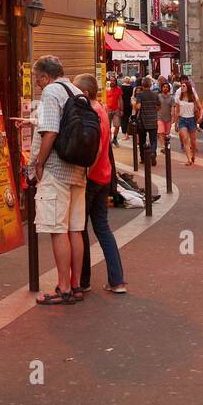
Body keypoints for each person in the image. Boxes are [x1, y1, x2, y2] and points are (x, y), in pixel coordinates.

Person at [29, 56, 89, 306]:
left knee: (56, 229)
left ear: (45, 76)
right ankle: (75, 285)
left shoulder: (52, 91)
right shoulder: (75, 90)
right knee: (75, 229)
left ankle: (62, 288)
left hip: (56, 169)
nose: (38, 85)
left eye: (37, 81)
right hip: (78, 169)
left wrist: (39, 162)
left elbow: (51, 131)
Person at [75, 74, 127, 295]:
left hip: (92, 178)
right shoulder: (103, 110)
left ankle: (84, 280)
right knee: (103, 229)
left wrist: (86, 171)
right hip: (104, 176)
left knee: (80, 228)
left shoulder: (92, 113)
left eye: (77, 91)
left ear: (85, 93)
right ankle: (117, 280)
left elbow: (95, 149)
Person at [132, 75, 161, 166]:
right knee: (153, 140)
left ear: (142, 85)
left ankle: (143, 158)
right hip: (152, 120)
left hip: (142, 121)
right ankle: (153, 154)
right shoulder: (154, 94)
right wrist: (153, 109)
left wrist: (135, 105)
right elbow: (158, 106)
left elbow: (138, 106)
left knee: (142, 140)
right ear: (150, 84)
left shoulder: (140, 94)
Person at [176, 78, 203, 165]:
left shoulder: (193, 98)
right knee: (185, 139)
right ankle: (189, 159)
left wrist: (200, 117)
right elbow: (177, 111)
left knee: (193, 141)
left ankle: (193, 155)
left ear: (188, 87)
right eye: (181, 86)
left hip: (192, 119)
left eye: (183, 86)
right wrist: (176, 122)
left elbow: (201, 108)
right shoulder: (179, 98)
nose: (182, 88)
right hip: (182, 119)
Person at [156, 80, 175, 156]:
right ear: (161, 88)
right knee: (161, 132)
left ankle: (165, 145)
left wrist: (173, 117)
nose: (165, 88)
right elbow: (155, 106)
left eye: (167, 87)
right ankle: (163, 146)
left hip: (168, 118)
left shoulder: (171, 98)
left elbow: (173, 108)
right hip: (159, 117)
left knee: (166, 133)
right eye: (164, 87)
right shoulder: (158, 96)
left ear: (169, 88)